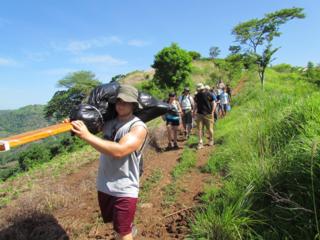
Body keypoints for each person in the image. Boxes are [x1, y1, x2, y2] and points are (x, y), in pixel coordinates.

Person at [69, 84, 148, 240]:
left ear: (133, 105)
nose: (121, 104)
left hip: (125, 187)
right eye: (118, 101)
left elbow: (120, 151)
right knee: (117, 226)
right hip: (105, 184)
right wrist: (75, 122)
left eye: (125, 101)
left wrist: (87, 136)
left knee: (123, 233)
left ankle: (127, 230)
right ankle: (128, 227)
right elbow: (90, 126)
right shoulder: (109, 123)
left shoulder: (137, 127)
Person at [193, 83, 216, 149]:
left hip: (208, 114)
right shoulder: (197, 96)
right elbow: (195, 104)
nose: (199, 90)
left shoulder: (209, 94)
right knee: (199, 129)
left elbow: (214, 103)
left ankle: (211, 139)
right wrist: (194, 112)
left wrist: (212, 112)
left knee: (209, 129)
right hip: (199, 114)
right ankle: (200, 142)